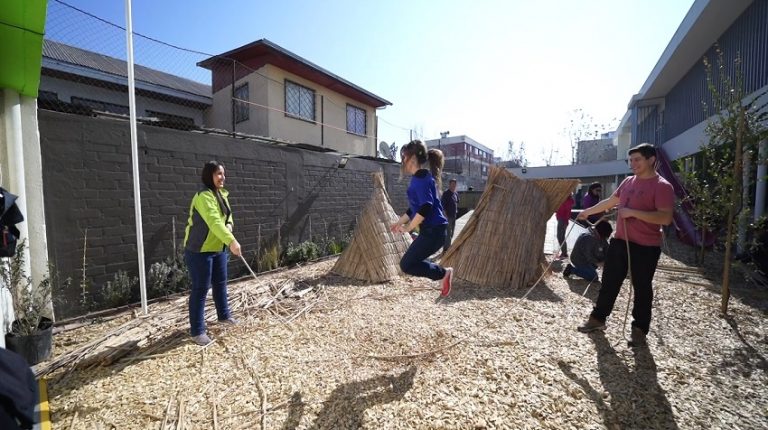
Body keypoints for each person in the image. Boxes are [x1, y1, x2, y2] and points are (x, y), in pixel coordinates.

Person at [576, 143, 674, 347]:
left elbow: (665, 218)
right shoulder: (628, 182)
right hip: (620, 241)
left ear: (651, 160)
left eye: (637, 159)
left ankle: (639, 330)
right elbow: (611, 201)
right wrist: (589, 212)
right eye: (631, 160)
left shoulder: (662, 186)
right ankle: (597, 319)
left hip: (646, 247)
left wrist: (632, 213)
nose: (633, 164)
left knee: (642, 288)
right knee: (609, 282)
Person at [183, 160, 242, 346]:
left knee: (221, 284)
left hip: (218, 249)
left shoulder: (222, 194)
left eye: (223, 174)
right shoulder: (203, 196)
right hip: (200, 250)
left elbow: (227, 216)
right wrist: (232, 241)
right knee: (201, 289)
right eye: (218, 174)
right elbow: (214, 222)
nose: (222, 177)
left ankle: (224, 316)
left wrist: (231, 225)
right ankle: (197, 331)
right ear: (209, 175)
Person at [391, 140, 453, 297]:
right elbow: (414, 209)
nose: (402, 161)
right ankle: (443, 273)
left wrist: (408, 228)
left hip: (434, 232)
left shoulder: (420, 180)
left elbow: (425, 207)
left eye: (404, 157)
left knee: (407, 264)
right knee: (408, 264)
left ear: (412, 159)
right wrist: (400, 221)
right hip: (432, 232)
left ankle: (443, 273)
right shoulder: (421, 178)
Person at [440, 178, 459, 252]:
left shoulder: (456, 193)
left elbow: (457, 202)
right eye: (452, 184)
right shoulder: (446, 194)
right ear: (449, 185)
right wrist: (445, 216)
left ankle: (448, 246)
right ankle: (446, 249)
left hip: (454, 216)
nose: (453, 186)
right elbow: (442, 206)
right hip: (448, 217)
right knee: (448, 233)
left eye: (455, 185)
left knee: (452, 232)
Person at [555, 193, 575, 259]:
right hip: (561, 219)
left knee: (560, 237)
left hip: (562, 220)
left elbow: (567, 213)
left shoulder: (567, 201)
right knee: (560, 237)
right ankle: (564, 253)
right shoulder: (565, 200)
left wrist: (566, 222)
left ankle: (564, 253)